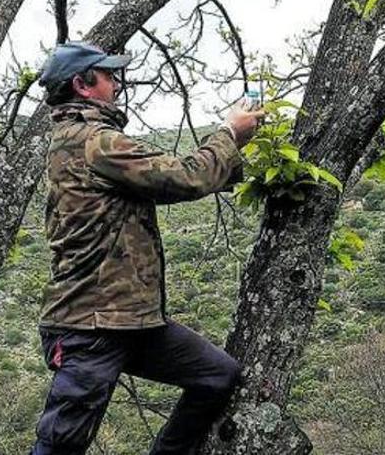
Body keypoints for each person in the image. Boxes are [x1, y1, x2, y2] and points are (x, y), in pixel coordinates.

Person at [30, 42, 264, 455]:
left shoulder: (79, 141)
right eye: (108, 75)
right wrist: (230, 134)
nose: (117, 84)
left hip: (131, 320)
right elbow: (185, 177)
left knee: (216, 376)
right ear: (83, 84)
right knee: (61, 445)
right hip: (91, 325)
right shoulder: (95, 143)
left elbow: (167, 183)